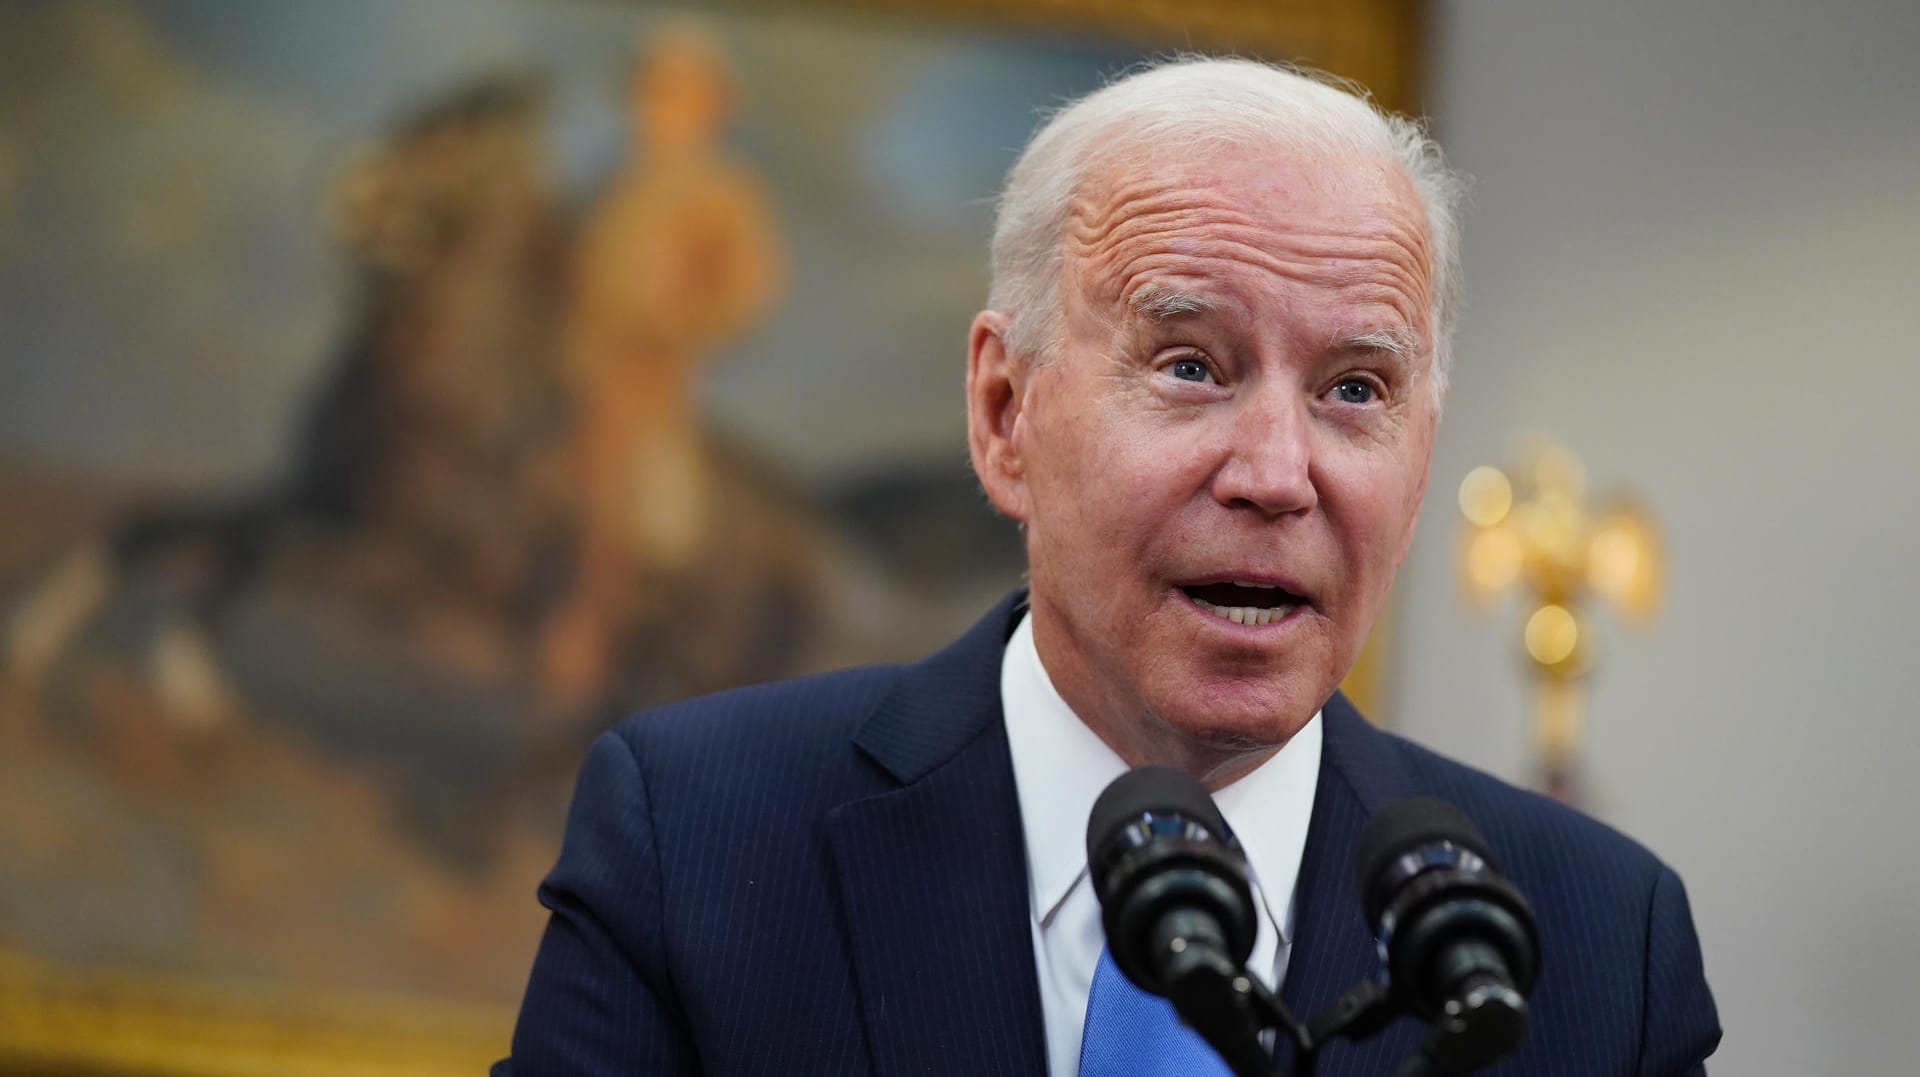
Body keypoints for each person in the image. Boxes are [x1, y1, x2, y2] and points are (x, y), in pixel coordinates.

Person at [496, 58, 1720, 1076]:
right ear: (1003, 412)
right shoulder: (696, 840)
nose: (1278, 473)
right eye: (1191, 364)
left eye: (1356, 390)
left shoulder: (1599, 948)